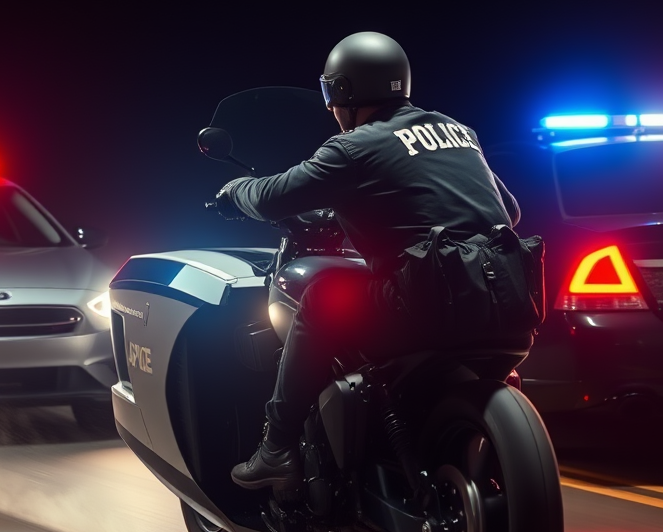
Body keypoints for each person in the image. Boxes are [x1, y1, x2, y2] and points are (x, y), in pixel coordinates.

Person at [210, 31, 522, 490]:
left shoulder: (354, 147)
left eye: (329, 93)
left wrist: (235, 192)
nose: (330, 108)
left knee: (321, 300)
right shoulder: (458, 131)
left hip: (428, 303)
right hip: (510, 299)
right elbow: (509, 211)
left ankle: (276, 447)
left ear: (342, 92)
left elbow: (275, 197)